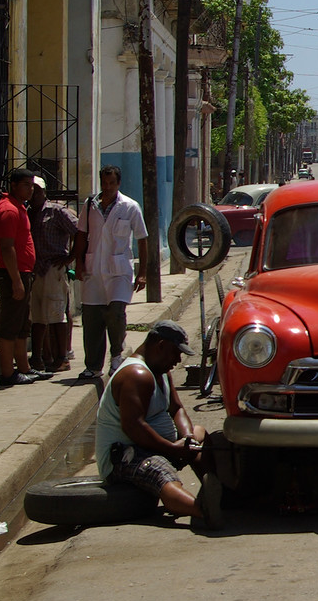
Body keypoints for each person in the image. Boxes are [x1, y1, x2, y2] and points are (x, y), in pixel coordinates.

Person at [94, 320, 221, 530]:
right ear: (160, 346)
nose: (177, 360)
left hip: (159, 445)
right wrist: (172, 448)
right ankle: (201, 509)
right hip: (126, 455)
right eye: (175, 353)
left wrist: (187, 437)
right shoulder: (136, 375)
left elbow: (177, 408)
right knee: (159, 472)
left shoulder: (160, 371)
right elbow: (134, 427)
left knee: (199, 433)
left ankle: (214, 488)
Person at [75, 165, 149, 381]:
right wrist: (79, 263)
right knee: (92, 320)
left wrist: (142, 272)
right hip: (93, 269)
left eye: (111, 183)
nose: (107, 188)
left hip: (119, 270)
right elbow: (81, 234)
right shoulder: (90, 206)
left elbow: (142, 239)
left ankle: (117, 353)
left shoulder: (130, 207)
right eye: (104, 183)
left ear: (118, 184)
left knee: (116, 312)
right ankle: (93, 366)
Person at [0, 167, 44, 386]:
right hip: (13, 274)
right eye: (26, 185)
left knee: (23, 324)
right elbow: (7, 247)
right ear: (14, 185)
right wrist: (15, 281)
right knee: (8, 326)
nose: (30, 189)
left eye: (32, 185)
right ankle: (7, 373)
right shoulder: (9, 210)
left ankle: (24, 368)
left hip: (24, 273)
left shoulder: (19, 207)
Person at [28, 177, 79, 373]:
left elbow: (79, 231)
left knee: (57, 315)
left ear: (44, 192)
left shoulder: (56, 211)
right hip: (36, 269)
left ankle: (62, 357)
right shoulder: (28, 213)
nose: (34, 194)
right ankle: (39, 357)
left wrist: (71, 258)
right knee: (38, 315)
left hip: (54, 268)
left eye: (37, 190)